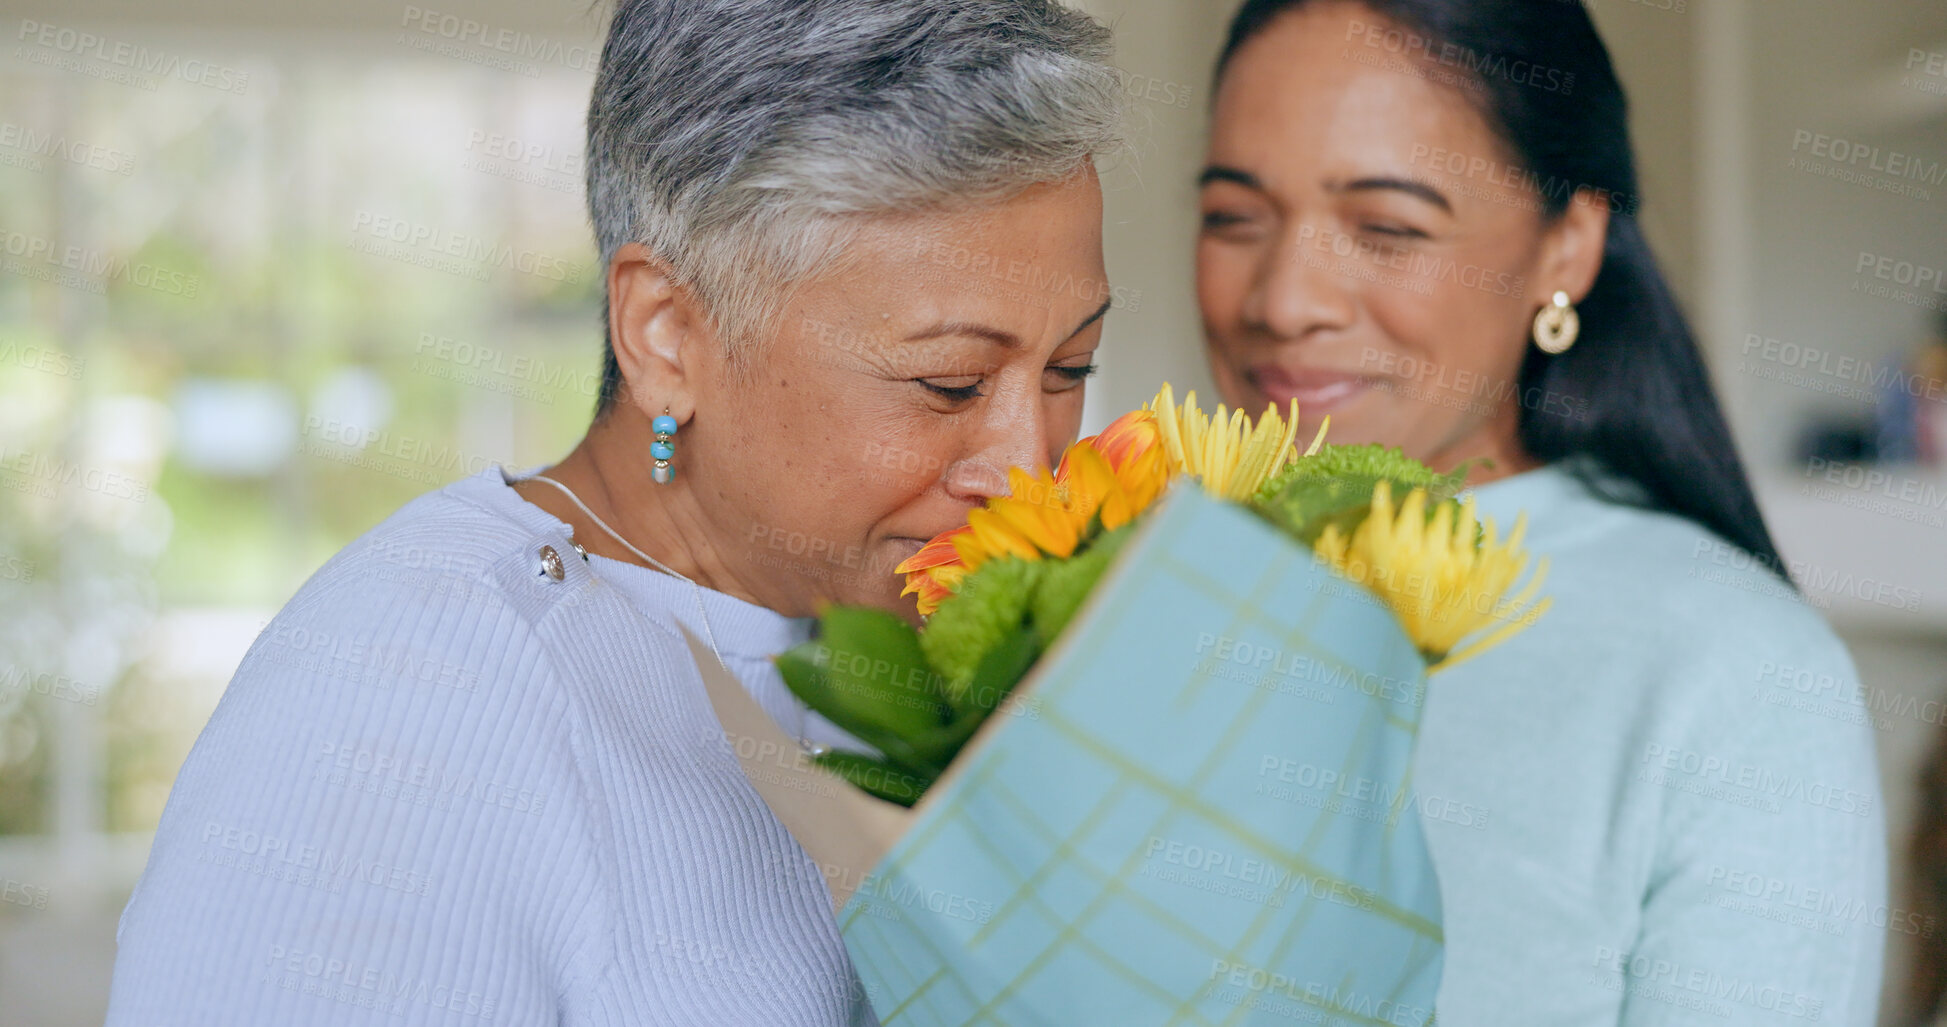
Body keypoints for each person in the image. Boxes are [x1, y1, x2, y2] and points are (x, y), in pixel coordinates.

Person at [104, 1, 1122, 1023]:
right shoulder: (406, 700)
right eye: (949, 383)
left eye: (1069, 366)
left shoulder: (909, 637)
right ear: (667, 333)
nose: (1027, 467)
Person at [1195, 1, 1886, 1022]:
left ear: (1568, 246)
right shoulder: (1131, 578)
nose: (1286, 299)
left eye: (1387, 227)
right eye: (1234, 218)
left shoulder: (1735, 670)